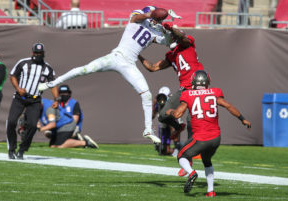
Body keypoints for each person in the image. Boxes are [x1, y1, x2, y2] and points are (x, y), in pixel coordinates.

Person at [39, 6, 174, 144]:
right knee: (84, 69)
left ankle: (147, 130)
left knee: (147, 94)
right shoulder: (137, 18)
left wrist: (169, 29)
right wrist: (150, 15)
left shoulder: (155, 32)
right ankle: (52, 83)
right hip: (115, 56)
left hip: (129, 64)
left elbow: (169, 42)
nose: (155, 20)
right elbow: (137, 17)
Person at [166, 70, 251, 197]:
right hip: (216, 138)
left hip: (201, 137)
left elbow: (178, 114)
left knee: (182, 156)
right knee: (207, 160)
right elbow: (228, 106)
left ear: (193, 82)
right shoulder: (215, 92)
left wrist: (170, 112)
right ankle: (210, 191)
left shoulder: (188, 94)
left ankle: (191, 173)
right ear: (207, 82)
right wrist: (242, 119)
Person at [138, 23, 204, 142]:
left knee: (192, 119)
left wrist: (171, 28)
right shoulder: (170, 55)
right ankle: (178, 127)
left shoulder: (187, 44)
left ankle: (195, 147)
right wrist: (137, 54)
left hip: (197, 86)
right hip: (184, 89)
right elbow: (152, 67)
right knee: (162, 116)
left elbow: (182, 37)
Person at [7, 43, 59, 160]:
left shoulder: (47, 68)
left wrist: (56, 99)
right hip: (20, 98)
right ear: (32, 53)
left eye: (40, 53)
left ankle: (22, 149)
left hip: (35, 100)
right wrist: (18, 88)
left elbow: (53, 84)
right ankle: (12, 149)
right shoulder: (23, 62)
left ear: (44, 54)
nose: (38, 55)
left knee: (32, 125)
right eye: (36, 53)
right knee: (11, 122)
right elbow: (12, 76)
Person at [153, 86, 181, 156]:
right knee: (163, 151)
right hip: (162, 120)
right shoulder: (157, 100)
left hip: (172, 118)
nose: (162, 98)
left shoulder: (172, 100)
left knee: (174, 130)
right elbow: (153, 113)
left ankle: (177, 149)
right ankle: (164, 147)